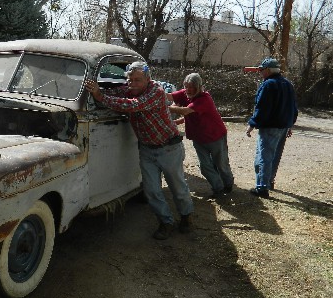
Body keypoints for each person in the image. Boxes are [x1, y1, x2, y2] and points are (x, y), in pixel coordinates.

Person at [85, 61, 194, 240]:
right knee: (151, 190)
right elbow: (113, 92)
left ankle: (186, 217)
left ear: (147, 79)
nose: (132, 83)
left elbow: (133, 105)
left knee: (178, 187)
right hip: (147, 149)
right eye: (130, 80)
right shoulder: (129, 89)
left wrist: (101, 97)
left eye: (137, 80)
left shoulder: (156, 92)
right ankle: (165, 222)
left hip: (169, 147)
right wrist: (96, 92)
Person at [169, 73, 234, 198]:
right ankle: (218, 188)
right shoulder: (185, 93)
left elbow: (187, 110)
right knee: (205, 166)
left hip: (215, 136)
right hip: (198, 138)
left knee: (221, 163)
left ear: (198, 87)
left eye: (191, 87)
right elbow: (170, 96)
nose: (188, 90)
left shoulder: (204, 99)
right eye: (186, 86)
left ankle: (228, 184)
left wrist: (164, 107)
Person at [244, 57, 298, 198]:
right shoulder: (288, 84)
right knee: (275, 156)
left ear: (268, 70)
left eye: (262, 70)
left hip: (270, 128)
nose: (260, 72)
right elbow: (293, 107)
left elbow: (261, 108)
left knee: (264, 157)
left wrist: (251, 125)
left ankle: (262, 188)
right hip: (283, 127)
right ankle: (269, 181)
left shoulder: (268, 85)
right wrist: (290, 124)